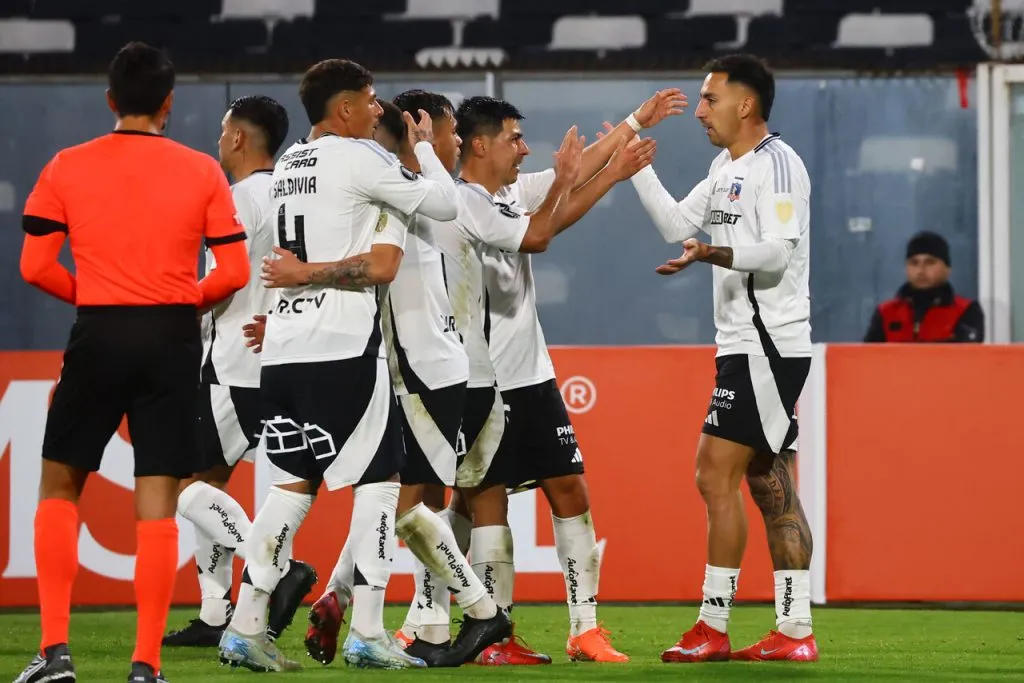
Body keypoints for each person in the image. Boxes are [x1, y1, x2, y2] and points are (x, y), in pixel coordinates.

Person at [14, 42, 250, 683]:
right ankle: (145, 665)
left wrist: (95, 295)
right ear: (169, 104)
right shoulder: (201, 171)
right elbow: (234, 271)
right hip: (172, 337)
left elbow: (34, 266)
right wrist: (177, 301)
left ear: (111, 99)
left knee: (60, 486)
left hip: (99, 331)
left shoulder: (67, 166)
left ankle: (55, 654)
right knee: (159, 503)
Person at [216, 58, 459, 672]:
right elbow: (444, 206)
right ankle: (369, 632)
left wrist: (300, 278)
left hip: (283, 353)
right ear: (345, 108)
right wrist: (425, 149)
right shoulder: (364, 160)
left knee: (291, 488)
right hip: (342, 347)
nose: (380, 110)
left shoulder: (290, 163)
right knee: (379, 482)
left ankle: (245, 626)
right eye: (372, 100)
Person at [262, 90, 512, 668]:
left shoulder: (409, 188)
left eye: (445, 133)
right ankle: (372, 605)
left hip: (424, 371)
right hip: (410, 369)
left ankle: (467, 611)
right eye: (443, 134)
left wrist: (302, 278)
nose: (450, 145)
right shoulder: (388, 183)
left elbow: (382, 265)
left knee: (399, 504)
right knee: (391, 499)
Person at [449, 92, 675, 665]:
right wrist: (609, 177)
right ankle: (494, 639)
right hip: (484, 381)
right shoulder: (461, 203)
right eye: (513, 139)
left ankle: (584, 630)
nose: (524, 149)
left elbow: (572, 176)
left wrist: (632, 124)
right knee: (488, 505)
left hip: (532, 374)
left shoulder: (507, 192)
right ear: (480, 144)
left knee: (570, 489)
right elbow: (543, 231)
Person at [628, 54, 819, 663]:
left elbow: (778, 253)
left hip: (765, 343)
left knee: (714, 473)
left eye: (710, 98)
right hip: (748, 344)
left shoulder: (780, 166)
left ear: (746, 103)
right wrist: (637, 170)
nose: (701, 110)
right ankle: (794, 632)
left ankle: (713, 626)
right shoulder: (724, 166)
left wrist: (712, 253)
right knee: (769, 483)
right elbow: (674, 225)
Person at [162, 95, 317, 649]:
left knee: (186, 488)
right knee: (215, 483)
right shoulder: (300, 191)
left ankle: (273, 567)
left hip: (232, 361)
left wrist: (164, 316)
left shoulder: (238, 198)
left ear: (239, 139)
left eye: (224, 128)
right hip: (286, 357)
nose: (219, 137)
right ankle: (213, 613)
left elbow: (221, 281)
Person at [864, 230, 984, 343]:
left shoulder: (966, 311)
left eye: (930, 262)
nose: (920, 270)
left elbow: (966, 359)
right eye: (914, 263)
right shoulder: (885, 313)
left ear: (947, 269)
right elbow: (868, 358)